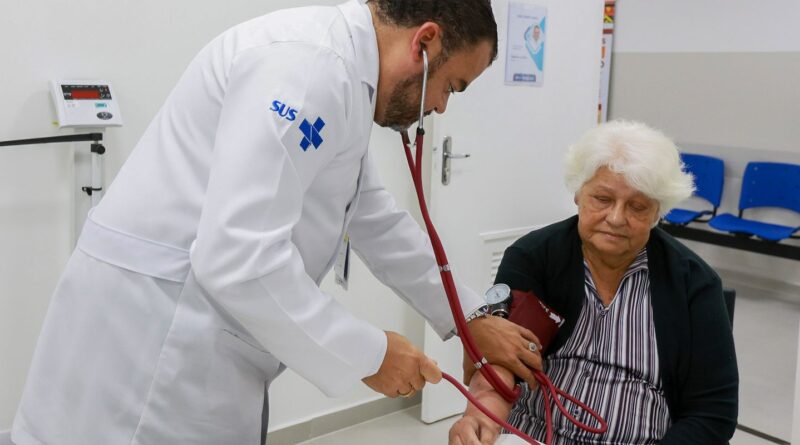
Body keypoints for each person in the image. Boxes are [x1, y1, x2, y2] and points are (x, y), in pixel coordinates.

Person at [12, 1, 544, 444]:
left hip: (197, 339)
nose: (442, 108)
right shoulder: (309, 68)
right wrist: (370, 353)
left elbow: (373, 217)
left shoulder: (344, 78)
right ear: (424, 44)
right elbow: (238, 258)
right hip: (153, 348)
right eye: (452, 85)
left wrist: (469, 316)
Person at [449, 120, 739, 445]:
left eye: (637, 206)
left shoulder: (694, 285)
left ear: (659, 211)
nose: (616, 218)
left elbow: (713, 413)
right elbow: (504, 358)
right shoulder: (534, 257)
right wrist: (481, 416)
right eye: (602, 199)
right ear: (578, 193)